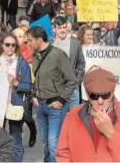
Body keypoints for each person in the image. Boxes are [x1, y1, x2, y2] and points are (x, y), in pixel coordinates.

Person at [56, 66, 120, 162]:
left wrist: (111, 134)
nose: (100, 101)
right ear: (87, 94)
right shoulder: (73, 116)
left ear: (112, 93)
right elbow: (63, 154)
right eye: (94, 96)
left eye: (105, 95)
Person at [26, 26, 77, 162]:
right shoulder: (35, 56)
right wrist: (34, 95)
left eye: (30, 40)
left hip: (56, 106)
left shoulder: (58, 55)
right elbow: (35, 78)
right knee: (45, 144)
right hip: (40, 105)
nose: (28, 44)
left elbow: (72, 80)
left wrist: (61, 99)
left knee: (54, 144)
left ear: (39, 40)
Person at [0, 33, 32, 162]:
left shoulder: (21, 62)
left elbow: (29, 86)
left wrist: (16, 83)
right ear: (2, 45)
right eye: (7, 44)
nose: (10, 48)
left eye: (13, 45)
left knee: (15, 139)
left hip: (15, 105)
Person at [52, 16, 86, 110]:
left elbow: (81, 64)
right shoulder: (50, 44)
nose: (62, 30)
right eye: (59, 28)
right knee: (59, 121)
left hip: (72, 89)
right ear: (54, 29)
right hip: (56, 91)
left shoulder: (75, 43)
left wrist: (76, 83)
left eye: (64, 27)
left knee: (73, 120)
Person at [12, 28, 37, 148]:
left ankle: (33, 130)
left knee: (27, 116)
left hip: (29, 86)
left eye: (21, 36)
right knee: (17, 119)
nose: (18, 38)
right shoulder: (11, 51)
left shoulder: (30, 52)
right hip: (14, 91)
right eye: (16, 36)